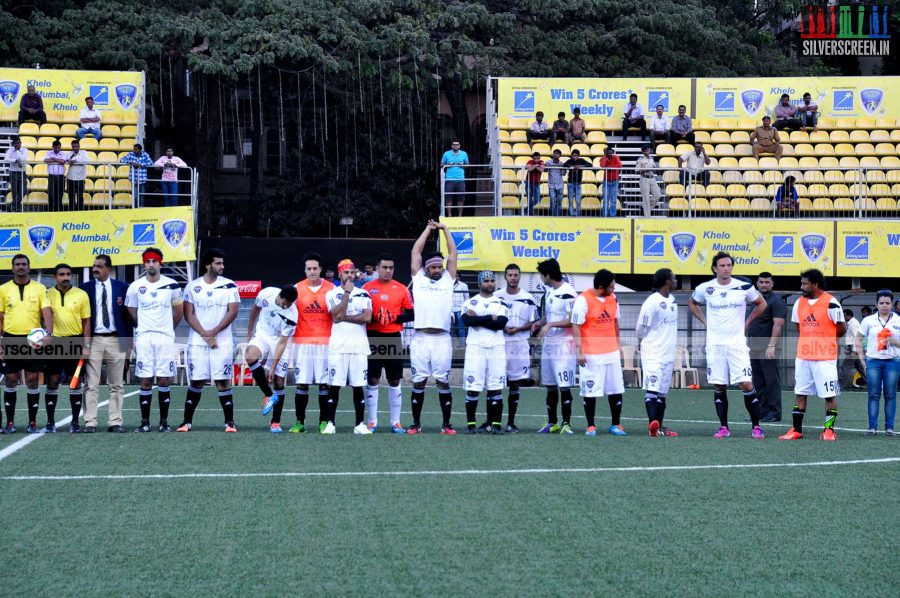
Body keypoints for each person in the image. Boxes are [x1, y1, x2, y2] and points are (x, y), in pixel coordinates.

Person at [689, 251, 767, 439]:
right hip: (715, 345)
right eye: (722, 266)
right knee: (719, 385)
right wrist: (705, 321)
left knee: (746, 384)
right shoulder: (705, 288)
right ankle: (724, 427)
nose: (726, 269)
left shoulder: (744, 287)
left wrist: (747, 323)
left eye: (729, 265)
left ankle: (756, 427)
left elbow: (761, 304)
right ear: (715, 268)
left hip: (737, 344)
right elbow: (692, 303)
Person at [178, 248, 241, 433]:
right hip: (198, 342)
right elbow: (188, 315)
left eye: (222, 263)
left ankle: (230, 423)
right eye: (218, 263)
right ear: (208, 265)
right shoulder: (192, 286)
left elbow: (233, 312)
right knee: (197, 381)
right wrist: (206, 335)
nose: (222, 266)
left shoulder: (230, 285)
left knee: (223, 380)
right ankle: (186, 422)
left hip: (222, 342)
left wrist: (213, 333)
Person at [779, 269, 846, 441]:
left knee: (829, 395)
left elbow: (841, 328)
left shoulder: (831, 302)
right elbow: (799, 327)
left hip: (825, 358)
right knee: (800, 393)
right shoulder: (799, 303)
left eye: (804, 284)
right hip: (803, 357)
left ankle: (829, 430)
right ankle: (796, 430)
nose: (801, 287)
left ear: (815, 284)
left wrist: (825, 341)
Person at [408, 220, 458, 435]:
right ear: (426, 269)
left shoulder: (448, 279)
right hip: (420, 338)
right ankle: (416, 424)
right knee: (418, 381)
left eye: (439, 266)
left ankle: (446, 425)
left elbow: (454, 254)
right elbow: (415, 251)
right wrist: (428, 229)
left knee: (442, 381)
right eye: (434, 267)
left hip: (442, 339)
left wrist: (445, 229)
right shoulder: (418, 279)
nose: (438, 269)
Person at [125, 248, 183, 432]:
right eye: (148, 261)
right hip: (144, 338)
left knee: (164, 380)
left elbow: (179, 312)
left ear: (161, 263)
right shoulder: (135, 286)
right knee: (145, 380)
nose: (151, 264)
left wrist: (166, 330)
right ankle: (144, 422)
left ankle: (164, 422)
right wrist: (142, 330)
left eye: (154, 261)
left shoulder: (172, 285)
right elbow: (131, 312)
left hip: (165, 338)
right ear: (144, 264)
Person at [0, 254, 53, 434]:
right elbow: (0, 316)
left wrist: (49, 334)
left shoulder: (39, 288)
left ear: (29, 268)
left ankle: (32, 422)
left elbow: (46, 312)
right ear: (12, 268)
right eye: (17, 264)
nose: (21, 267)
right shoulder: (3, 289)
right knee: (11, 379)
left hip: (33, 339)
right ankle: (9, 423)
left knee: (32, 380)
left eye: (24, 264)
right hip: (10, 338)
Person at [364, 254, 414, 434]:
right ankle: (372, 421)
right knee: (373, 378)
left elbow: (411, 314)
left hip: (393, 337)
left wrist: (395, 317)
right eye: (384, 267)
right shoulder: (367, 288)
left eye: (391, 268)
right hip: (373, 336)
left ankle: (396, 422)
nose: (388, 271)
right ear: (377, 268)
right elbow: (362, 312)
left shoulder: (401, 289)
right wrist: (374, 317)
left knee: (394, 379)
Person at [572, 269, 626, 437]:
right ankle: (591, 426)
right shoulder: (583, 300)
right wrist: (579, 351)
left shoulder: (613, 298)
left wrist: (618, 343)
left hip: (611, 352)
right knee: (590, 390)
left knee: (616, 388)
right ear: (601, 287)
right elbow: (576, 325)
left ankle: (616, 424)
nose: (614, 288)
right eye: (611, 286)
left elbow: (615, 321)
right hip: (591, 354)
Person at [80, 254, 131, 433]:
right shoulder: (84, 289)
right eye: (94, 266)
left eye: (99, 266)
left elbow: (127, 318)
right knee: (91, 384)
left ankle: (115, 422)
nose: (96, 269)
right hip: (93, 339)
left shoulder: (122, 287)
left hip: (116, 338)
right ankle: (90, 422)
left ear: (108, 268)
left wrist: (128, 346)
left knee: (116, 384)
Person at [286, 252, 334, 434]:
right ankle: (300, 423)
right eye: (309, 268)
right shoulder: (296, 289)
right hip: (302, 343)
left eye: (315, 268)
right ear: (305, 270)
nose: (312, 271)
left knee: (324, 384)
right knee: (302, 384)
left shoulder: (331, 289)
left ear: (321, 269)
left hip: (325, 342)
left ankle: (324, 422)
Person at [324, 259, 373, 434]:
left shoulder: (364, 294)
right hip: (338, 346)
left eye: (352, 272)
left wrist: (344, 317)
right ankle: (330, 423)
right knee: (334, 385)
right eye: (346, 272)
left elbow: (367, 318)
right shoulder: (331, 294)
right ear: (340, 274)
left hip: (359, 346)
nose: (350, 275)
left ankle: (359, 424)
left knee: (358, 386)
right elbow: (336, 316)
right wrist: (346, 293)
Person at [461, 270, 509, 434]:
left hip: (496, 348)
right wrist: (490, 317)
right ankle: (471, 425)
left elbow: (500, 325)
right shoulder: (470, 302)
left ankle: (496, 425)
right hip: (475, 348)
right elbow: (467, 321)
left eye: (491, 281)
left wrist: (480, 319)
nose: (489, 283)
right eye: (486, 281)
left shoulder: (500, 302)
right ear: (479, 283)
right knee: (473, 387)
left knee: (496, 386)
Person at [45, 264, 91, 433]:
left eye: (68, 274)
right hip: (54, 343)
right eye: (61, 274)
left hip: (75, 342)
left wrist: (86, 345)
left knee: (75, 382)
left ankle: (74, 422)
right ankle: (50, 422)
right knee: (53, 381)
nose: (65, 277)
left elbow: (86, 321)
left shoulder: (81, 295)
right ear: (54, 277)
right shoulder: (47, 294)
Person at [533, 258, 577, 435]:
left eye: (541, 275)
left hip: (564, 346)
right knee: (550, 386)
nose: (541, 278)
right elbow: (549, 316)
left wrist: (551, 325)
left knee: (564, 385)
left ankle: (566, 424)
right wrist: (540, 322)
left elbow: (573, 320)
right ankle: (552, 423)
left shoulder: (569, 292)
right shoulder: (550, 291)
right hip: (549, 345)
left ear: (548, 275)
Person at [247, 285, 299, 429]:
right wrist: (250, 330)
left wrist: (273, 367)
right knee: (250, 354)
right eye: (284, 303)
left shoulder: (292, 315)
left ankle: (275, 422)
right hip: (262, 334)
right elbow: (255, 309)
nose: (285, 307)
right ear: (280, 295)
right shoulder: (266, 293)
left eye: (289, 305)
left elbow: (282, 342)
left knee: (279, 381)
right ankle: (269, 395)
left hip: (279, 341)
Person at [495, 264, 539, 433]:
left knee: (514, 383)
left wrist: (519, 329)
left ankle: (511, 422)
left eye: (515, 275)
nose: (513, 278)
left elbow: (533, 321)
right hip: (499, 343)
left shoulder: (528, 298)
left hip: (519, 344)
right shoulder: (497, 296)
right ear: (505, 277)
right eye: (510, 275)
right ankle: (493, 421)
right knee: (495, 382)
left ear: (519, 277)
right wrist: (503, 327)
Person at [636, 268, 680, 437]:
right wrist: (640, 341)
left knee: (662, 393)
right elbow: (641, 327)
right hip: (653, 352)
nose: (676, 281)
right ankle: (652, 424)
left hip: (668, 354)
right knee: (652, 389)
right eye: (674, 279)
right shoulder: (652, 302)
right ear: (667, 282)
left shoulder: (673, 300)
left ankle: (659, 427)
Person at [856, 290, 900, 436]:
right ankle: (872, 427)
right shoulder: (868, 320)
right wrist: (862, 359)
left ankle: (889, 428)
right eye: (881, 303)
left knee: (890, 394)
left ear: (892, 304)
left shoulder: (898, 320)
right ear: (876, 304)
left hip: (893, 362)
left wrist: (894, 342)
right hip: (873, 361)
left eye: (888, 303)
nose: (885, 306)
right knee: (873, 395)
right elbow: (858, 338)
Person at [746, 272, 787, 422]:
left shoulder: (776, 301)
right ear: (757, 283)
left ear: (772, 284)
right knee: (758, 382)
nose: (764, 285)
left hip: (768, 348)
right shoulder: (755, 300)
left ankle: (774, 414)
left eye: (767, 282)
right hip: (754, 347)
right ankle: (762, 412)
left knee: (771, 381)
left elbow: (777, 325)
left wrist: (771, 346)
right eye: (761, 282)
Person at [441, 140, 468, 217]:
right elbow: (441, 164)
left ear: (459, 145)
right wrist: (448, 164)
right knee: (449, 198)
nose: (455, 146)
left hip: (460, 179)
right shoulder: (446, 154)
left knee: (461, 198)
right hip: (449, 179)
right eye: (454, 144)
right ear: (451, 145)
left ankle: (460, 216)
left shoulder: (464, 154)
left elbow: (467, 164)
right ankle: (449, 215)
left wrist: (462, 165)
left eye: (457, 144)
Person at [840, 308, 866, 389]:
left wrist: (855, 350)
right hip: (853, 349)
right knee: (860, 367)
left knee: (845, 367)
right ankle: (868, 383)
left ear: (848, 315)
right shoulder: (852, 323)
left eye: (844, 315)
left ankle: (842, 385)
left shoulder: (853, 324)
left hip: (853, 349)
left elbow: (857, 337)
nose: (843, 317)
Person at [635, 145, 661, 217]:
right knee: (646, 198)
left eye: (648, 150)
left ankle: (644, 207)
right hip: (644, 178)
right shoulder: (640, 159)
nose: (647, 152)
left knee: (658, 195)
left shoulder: (652, 159)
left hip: (652, 178)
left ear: (650, 150)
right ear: (643, 152)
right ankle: (647, 217)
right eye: (645, 151)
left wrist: (655, 170)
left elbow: (655, 168)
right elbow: (636, 171)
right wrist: (646, 169)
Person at [564, 148, 590, 217]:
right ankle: (571, 214)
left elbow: (590, 165)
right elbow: (564, 165)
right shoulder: (569, 161)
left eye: (576, 155)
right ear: (571, 156)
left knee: (578, 200)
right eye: (573, 155)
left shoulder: (581, 160)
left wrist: (580, 166)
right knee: (570, 200)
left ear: (578, 156)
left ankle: (577, 214)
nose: (574, 157)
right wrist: (572, 167)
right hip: (570, 183)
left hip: (578, 183)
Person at [4, 136, 27, 211]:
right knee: (15, 191)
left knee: (23, 191)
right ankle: (16, 208)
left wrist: (17, 151)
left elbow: (23, 158)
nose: (17, 145)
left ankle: (11, 207)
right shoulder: (10, 150)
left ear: (21, 143)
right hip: (13, 173)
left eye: (19, 143)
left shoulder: (24, 150)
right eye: (16, 144)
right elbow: (6, 158)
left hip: (22, 173)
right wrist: (15, 161)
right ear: (13, 144)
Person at [65, 140, 90, 210]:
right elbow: (67, 160)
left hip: (80, 178)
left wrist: (75, 161)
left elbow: (86, 160)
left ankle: (80, 212)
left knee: (80, 197)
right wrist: (71, 160)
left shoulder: (84, 152)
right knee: (71, 197)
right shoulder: (69, 153)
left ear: (79, 146)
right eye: (73, 147)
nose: (74, 148)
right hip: (70, 178)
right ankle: (72, 212)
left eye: (76, 146)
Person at [598, 146, 621, 217]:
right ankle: (605, 215)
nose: (610, 155)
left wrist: (609, 167)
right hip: (606, 181)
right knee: (606, 200)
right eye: (608, 153)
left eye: (611, 153)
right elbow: (602, 165)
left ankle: (612, 216)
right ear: (606, 153)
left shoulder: (616, 157)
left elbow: (619, 165)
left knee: (613, 200)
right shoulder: (603, 158)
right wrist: (605, 156)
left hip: (615, 181)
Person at [44, 140, 67, 212]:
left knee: (59, 195)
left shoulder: (63, 153)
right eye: (55, 148)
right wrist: (58, 160)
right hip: (52, 177)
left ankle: (58, 211)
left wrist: (54, 158)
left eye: (58, 148)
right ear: (52, 147)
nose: (57, 149)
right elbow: (46, 160)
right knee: (51, 195)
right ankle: (51, 211)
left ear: (60, 147)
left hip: (61, 177)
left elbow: (63, 161)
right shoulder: (48, 152)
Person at [545, 149, 565, 217]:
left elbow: (564, 174)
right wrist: (546, 166)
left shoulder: (561, 164)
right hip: (551, 185)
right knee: (552, 200)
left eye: (557, 153)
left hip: (560, 185)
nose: (555, 154)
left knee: (559, 202)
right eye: (554, 153)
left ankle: (558, 216)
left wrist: (564, 169)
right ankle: (553, 216)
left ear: (560, 155)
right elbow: (544, 170)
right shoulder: (548, 162)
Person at [525, 151, 544, 215]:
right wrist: (536, 166)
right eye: (535, 158)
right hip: (529, 183)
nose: (536, 160)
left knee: (537, 199)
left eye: (537, 158)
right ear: (533, 158)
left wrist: (534, 167)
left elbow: (542, 169)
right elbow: (529, 169)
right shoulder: (530, 161)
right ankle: (530, 213)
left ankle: (526, 210)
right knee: (529, 199)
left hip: (536, 184)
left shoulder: (541, 162)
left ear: (539, 158)